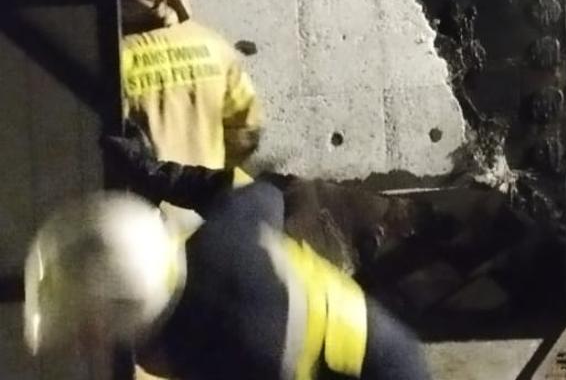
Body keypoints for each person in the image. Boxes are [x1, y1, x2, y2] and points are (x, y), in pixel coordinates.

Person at [22, 129, 433, 380]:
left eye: (88, 328)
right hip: (378, 343)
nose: (84, 343)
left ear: (124, 311)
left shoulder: (224, 353)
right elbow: (256, 192)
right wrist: (155, 174)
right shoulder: (216, 243)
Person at [58, 0, 263, 232]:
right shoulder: (216, 47)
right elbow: (246, 132)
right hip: (209, 224)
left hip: (138, 242)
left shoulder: (103, 61)